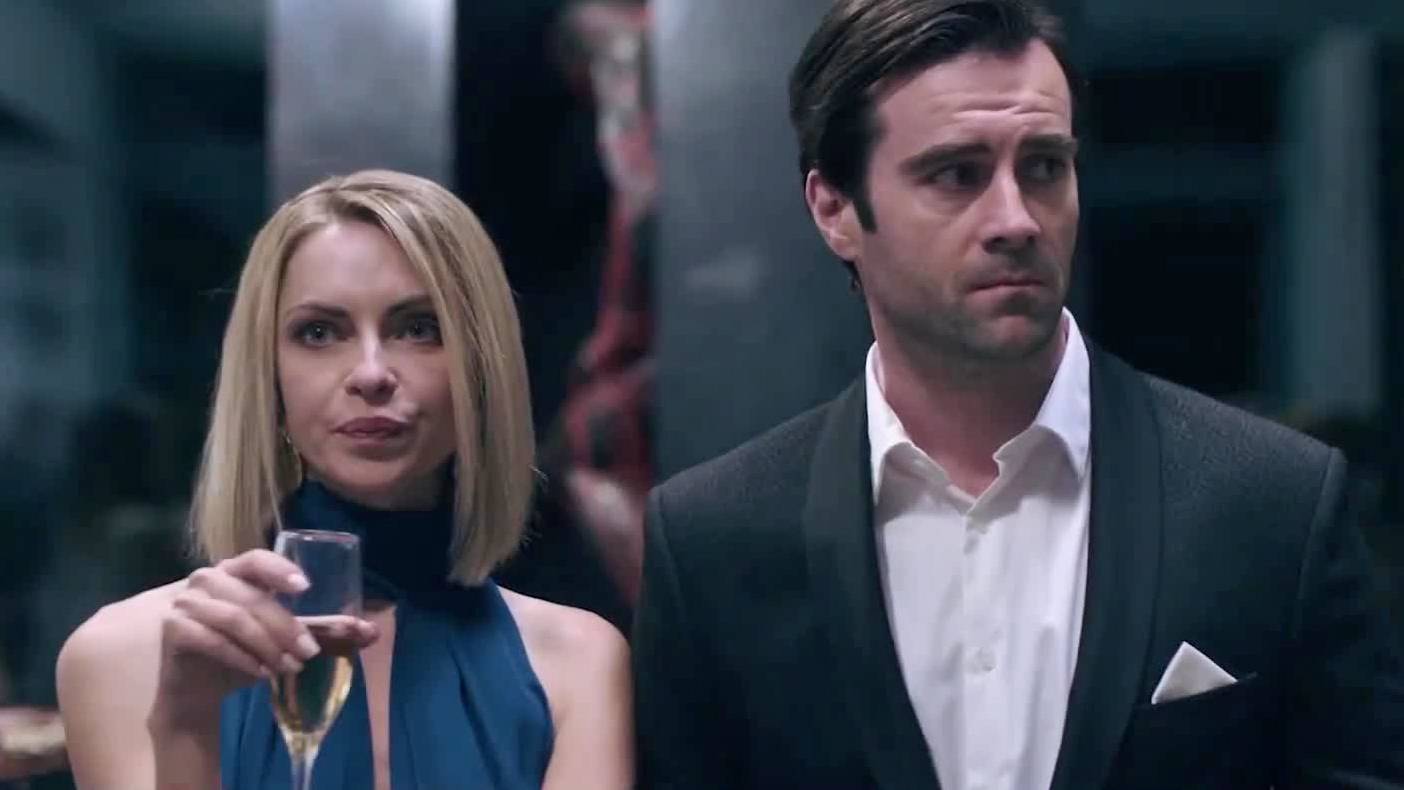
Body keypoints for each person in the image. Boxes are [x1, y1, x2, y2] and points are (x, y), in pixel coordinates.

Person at [630, 1, 1404, 789]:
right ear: (835, 209)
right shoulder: (714, 546)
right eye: (956, 174)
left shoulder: (1273, 504)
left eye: (1043, 167)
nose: (1015, 219)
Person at [56, 170, 633, 789]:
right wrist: (187, 727)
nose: (371, 373)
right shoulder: (123, 657)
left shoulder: (577, 663)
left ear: (479, 369)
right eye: (319, 333)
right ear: (270, 379)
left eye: (418, 328)